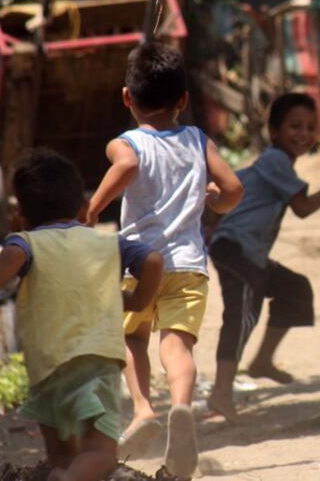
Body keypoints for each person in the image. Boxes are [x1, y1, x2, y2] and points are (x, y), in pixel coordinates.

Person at [87, 40, 244, 476]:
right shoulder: (197, 139)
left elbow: (126, 167)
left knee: (134, 338)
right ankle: (181, 408)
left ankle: (142, 409)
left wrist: (94, 208)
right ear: (184, 101)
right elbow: (233, 190)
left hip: (139, 265)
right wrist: (215, 201)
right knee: (177, 345)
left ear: (126, 97)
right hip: (189, 266)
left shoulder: (127, 142)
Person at [0, 149, 163, 481]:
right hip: (98, 361)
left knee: (60, 454)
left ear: (20, 218)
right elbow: (154, 261)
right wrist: (134, 302)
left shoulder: (27, 242)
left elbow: (12, 254)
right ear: (85, 209)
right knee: (101, 453)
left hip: (47, 365)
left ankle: (62, 474)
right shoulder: (108, 243)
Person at [205, 93, 320, 423]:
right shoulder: (275, 160)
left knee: (294, 289)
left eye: (311, 127)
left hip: (249, 253)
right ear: (274, 131)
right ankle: (221, 393)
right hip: (234, 248)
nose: (303, 134)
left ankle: (261, 362)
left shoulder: (278, 162)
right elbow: (302, 208)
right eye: (295, 126)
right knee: (241, 313)